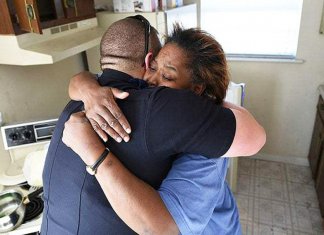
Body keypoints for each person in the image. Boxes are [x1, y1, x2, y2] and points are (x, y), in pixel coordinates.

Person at [42, 17, 265, 235]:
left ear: (197, 92)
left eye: (167, 75)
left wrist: (93, 152)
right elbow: (85, 78)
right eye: (153, 67)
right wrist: (87, 87)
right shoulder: (128, 97)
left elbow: (160, 228)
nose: (151, 81)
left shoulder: (204, 144)